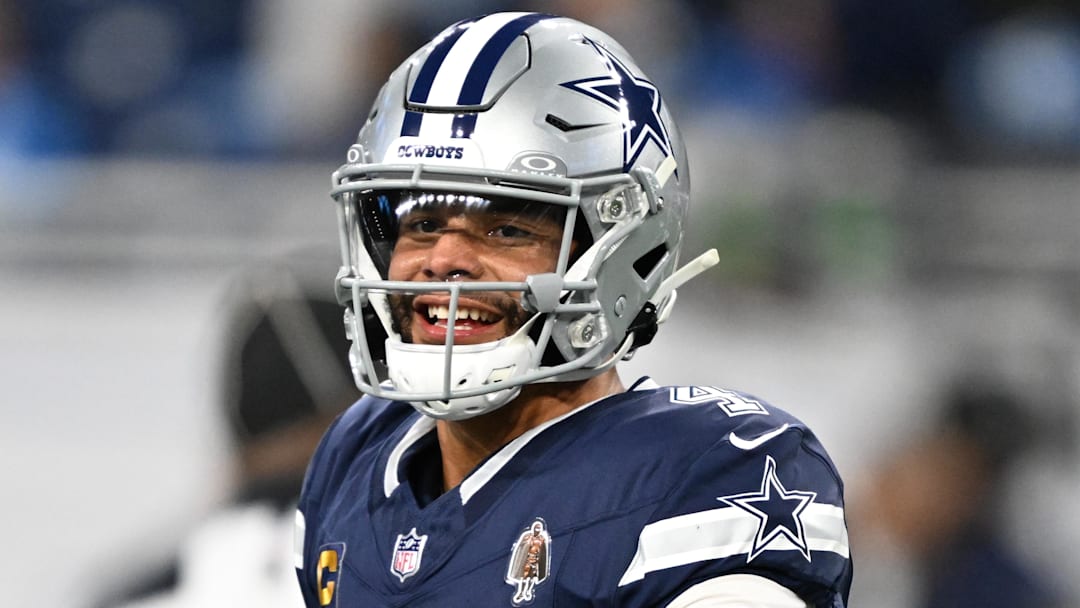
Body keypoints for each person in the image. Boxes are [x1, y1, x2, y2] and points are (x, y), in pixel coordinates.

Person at [294, 12, 852, 607]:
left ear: (622, 251)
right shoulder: (359, 454)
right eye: (423, 224)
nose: (443, 260)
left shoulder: (703, 477)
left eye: (506, 228)